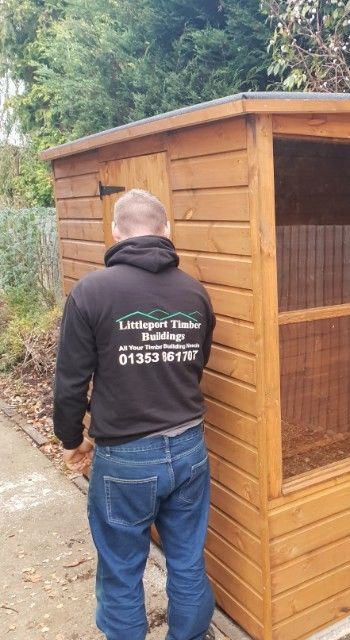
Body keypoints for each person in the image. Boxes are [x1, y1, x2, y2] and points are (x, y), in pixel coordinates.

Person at [53, 189, 216, 640]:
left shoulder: (91, 293)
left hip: (124, 457)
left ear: (116, 231)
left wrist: (71, 440)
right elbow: (195, 363)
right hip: (189, 450)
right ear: (166, 230)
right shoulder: (194, 292)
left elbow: (69, 382)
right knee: (187, 560)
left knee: (122, 568)